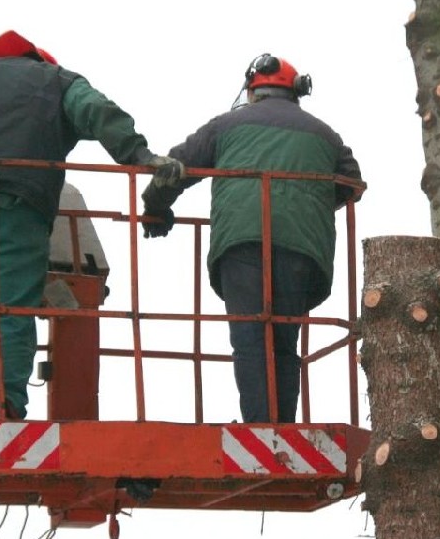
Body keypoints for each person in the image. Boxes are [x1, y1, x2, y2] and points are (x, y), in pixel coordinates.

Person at [0, 29, 179, 419]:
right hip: (17, 207)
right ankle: (2, 406)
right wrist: (138, 155)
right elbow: (97, 111)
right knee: (9, 309)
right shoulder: (58, 81)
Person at [141, 53, 362, 423]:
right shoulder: (326, 134)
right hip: (301, 248)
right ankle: (282, 427)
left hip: (241, 242)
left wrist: (155, 208)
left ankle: (259, 426)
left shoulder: (226, 125)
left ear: (252, 91)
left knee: (250, 337)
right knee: (284, 342)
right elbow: (352, 183)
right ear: (295, 94)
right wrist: (306, 205)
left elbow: (174, 168)